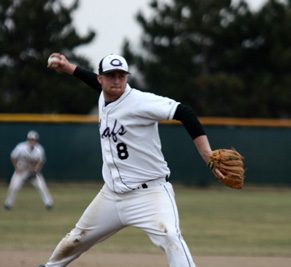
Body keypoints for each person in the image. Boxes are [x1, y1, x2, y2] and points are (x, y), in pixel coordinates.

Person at [38, 53, 224, 267]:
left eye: (121, 75)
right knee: (76, 239)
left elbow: (185, 113)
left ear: (127, 77)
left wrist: (207, 154)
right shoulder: (103, 96)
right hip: (111, 195)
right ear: (101, 79)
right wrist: (69, 68)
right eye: (110, 75)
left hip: (150, 194)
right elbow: (92, 81)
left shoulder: (140, 102)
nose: (117, 80)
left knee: (171, 236)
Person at [4, 130, 53, 210]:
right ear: (28, 139)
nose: (32, 141)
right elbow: (13, 156)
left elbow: (41, 161)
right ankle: (8, 204)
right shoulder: (20, 147)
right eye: (30, 139)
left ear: (36, 140)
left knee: (41, 186)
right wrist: (16, 167)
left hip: (32, 171)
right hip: (21, 169)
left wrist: (36, 170)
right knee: (13, 186)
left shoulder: (39, 149)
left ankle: (48, 203)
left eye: (34, 139)